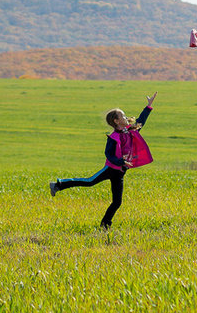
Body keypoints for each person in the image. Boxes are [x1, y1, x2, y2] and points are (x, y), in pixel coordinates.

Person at [50, 92, 157, 229]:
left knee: (117, 202)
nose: (126, 117)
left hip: (120, 173)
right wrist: (120, 162)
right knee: (89, 181)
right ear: (116, 121)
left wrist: (148, 106)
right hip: (111, 169)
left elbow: (141, 121)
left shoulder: (130, 131)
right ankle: (58, 185)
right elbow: (108, 154)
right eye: (123, 116)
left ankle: (104, 225)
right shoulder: (113, 137)